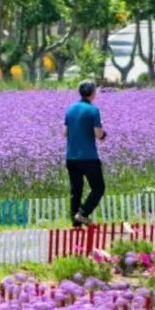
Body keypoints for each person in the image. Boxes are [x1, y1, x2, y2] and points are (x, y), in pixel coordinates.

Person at [63, 80, 106, 227]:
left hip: (71, 156)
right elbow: (98, 133)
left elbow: (64, 133)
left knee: (76, 190)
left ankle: (75, 223)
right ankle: (82, 213)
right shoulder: (93, 110)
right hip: (88, 157)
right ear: (93, 93)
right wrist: (103, 136)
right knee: (98, 187)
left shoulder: (70, 109)